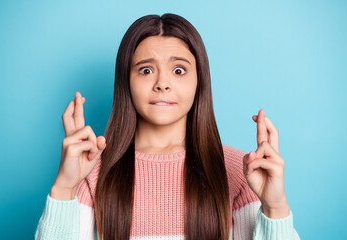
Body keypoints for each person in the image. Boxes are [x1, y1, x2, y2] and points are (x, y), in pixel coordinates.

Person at [35, 13, 300, 240]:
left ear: (200, 82)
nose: (163, 83)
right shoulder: (92, 172)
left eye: (179, 70)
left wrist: (275, 207)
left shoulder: (242, 173)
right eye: (146, 70)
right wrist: (65, 188)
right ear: (125, 82)